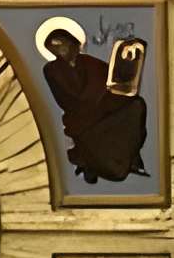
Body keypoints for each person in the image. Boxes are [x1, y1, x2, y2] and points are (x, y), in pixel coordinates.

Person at [40, 30, 148, 184]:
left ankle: (129, 159)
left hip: (104, 107)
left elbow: (111, 81)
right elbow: (67, 97)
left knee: (136, 106)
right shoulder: (52, 70)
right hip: (81, 116)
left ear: (74, 44)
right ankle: (94, 163)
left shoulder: (89, 62)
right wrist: (96, 97)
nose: (60, 49)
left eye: (63, 43)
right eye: (54, 46)